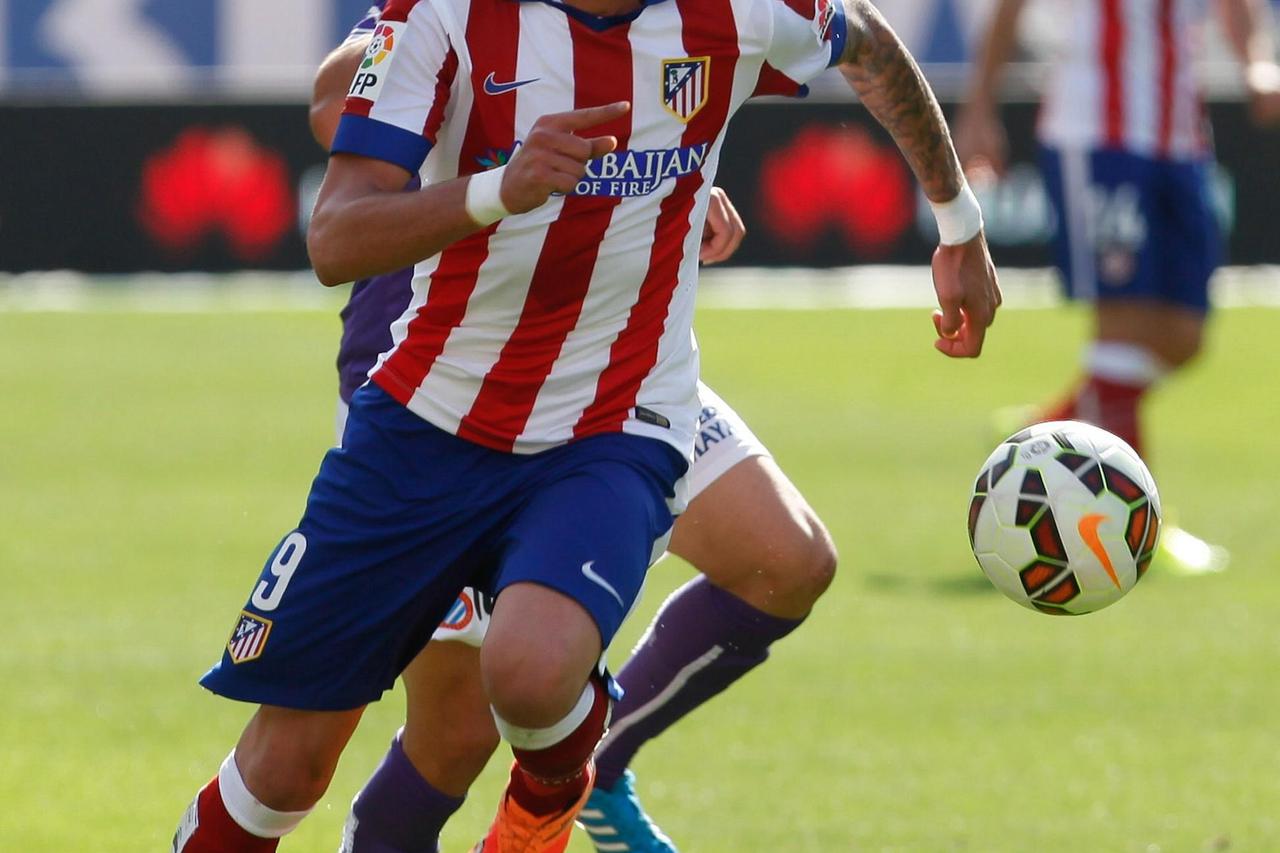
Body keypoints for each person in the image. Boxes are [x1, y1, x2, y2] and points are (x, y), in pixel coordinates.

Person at [172, 0, 1000, 850]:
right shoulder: (444, 17)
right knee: (345, 750)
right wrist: (501, 169)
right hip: (434, 392)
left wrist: (959, 223)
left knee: (727, 583)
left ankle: (573, 783)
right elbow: (332, 141)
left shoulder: (735, 12)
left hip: (620, 403)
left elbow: (859, 35)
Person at [310, 8, 831, 853]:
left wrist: (646, 168)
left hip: (608, 372)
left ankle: (594, 765)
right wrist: (503, 161)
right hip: (441, 370)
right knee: (457, 729)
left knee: (787, 558)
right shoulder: (446, 18)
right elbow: (335, 97)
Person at [955, 0, 1280, 574]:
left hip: (1182, 142)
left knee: (1184, 336)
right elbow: (1010, 8)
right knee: (1121, 333)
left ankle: (1052, 423)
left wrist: (1257, 62)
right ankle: (1138, 531)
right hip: (1097, 136)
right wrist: (980, 108)